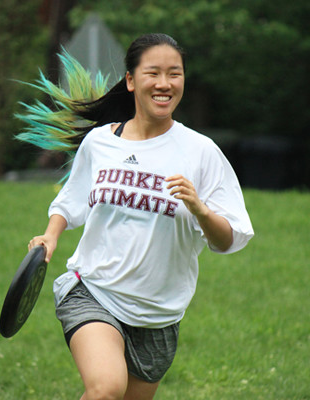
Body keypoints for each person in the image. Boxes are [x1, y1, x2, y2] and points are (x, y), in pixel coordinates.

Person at [22, 33, 254, 400]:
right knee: (105, 389)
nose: (164, 84)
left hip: (158, 314)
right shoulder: (100, 142)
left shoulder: (201, 152)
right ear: (131, 80)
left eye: (174, 74)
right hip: (94, 291)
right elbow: (71, 200)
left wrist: (200, 209)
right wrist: (51, 235)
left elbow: (229, 239)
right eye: (153, 73)